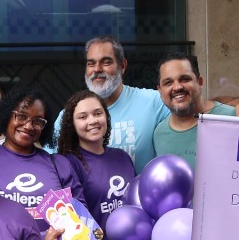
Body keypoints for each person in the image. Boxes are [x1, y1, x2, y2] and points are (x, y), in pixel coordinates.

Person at [55, 90, 139, 240]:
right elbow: (74, 221)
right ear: (72, 125)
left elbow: (137, 206)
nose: (92, 120)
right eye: (83, 117)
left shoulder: (122, 157)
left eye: (98, 113)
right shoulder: (68, 163)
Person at [52, 35, 169, 168]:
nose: (97, 69)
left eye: (106, 62)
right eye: (91, 63)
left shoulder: (153, 101)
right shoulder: (69, 114)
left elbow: (190, 121)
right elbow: (52, 164)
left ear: (123, 65)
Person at [0, 87, 89, 224]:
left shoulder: (59, 165)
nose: (28, 126)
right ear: (6, 116)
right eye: (22, 116)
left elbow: (81, 219)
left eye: (37, 121)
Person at [151, 53, 235, 169]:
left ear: (200, 82)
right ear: (160, 91)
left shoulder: (233, 118)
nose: (177, 87)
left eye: (185, 79)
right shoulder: (159, 134)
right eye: (168, 83)